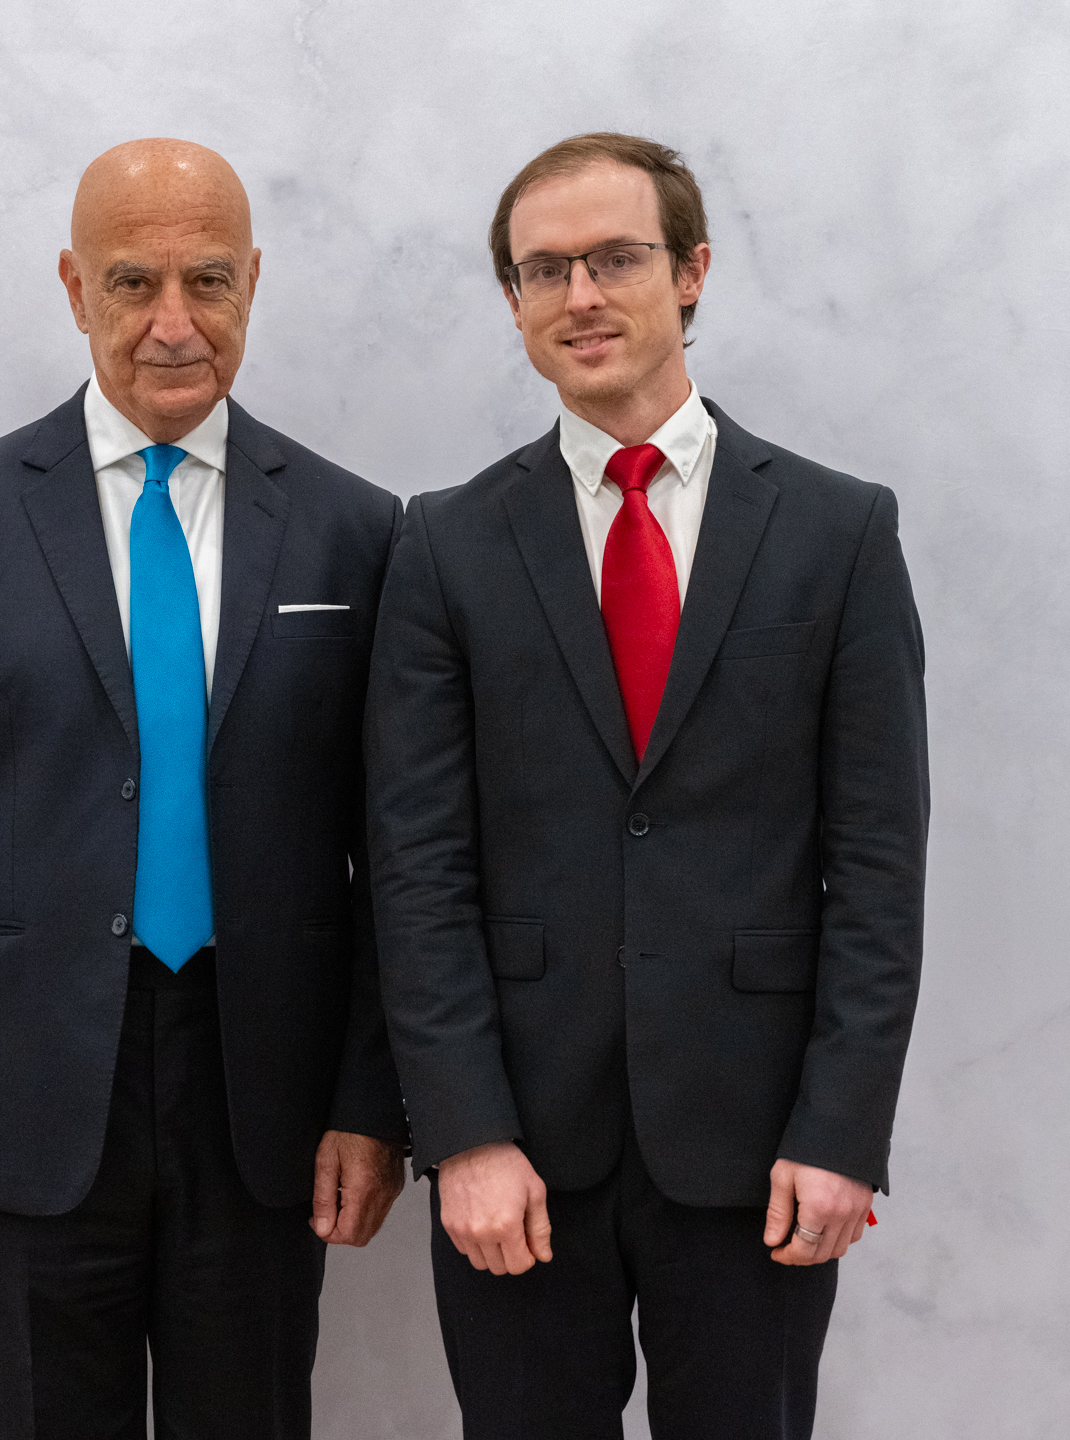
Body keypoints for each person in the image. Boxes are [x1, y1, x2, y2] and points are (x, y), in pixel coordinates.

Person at [0, 138, 406, 1440]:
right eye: (132, 283)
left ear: (254, 281)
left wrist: (370, 1102)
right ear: (73, 287)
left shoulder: (356, 529)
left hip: (265, 1105)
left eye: (208, 280)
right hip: (21, 1104)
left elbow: (396, 853)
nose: (172, 324)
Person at [365, 132, 929, 1439]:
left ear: (692, 273)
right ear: (514, 300)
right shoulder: (445, 544)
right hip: (518, 1148)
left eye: (615, 259)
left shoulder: (839, 531)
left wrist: (842, 1130)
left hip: (760, 1150)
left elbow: (879, 864)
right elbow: (416, 865)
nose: (581, 297)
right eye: (543, 270)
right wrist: (465, 1133)